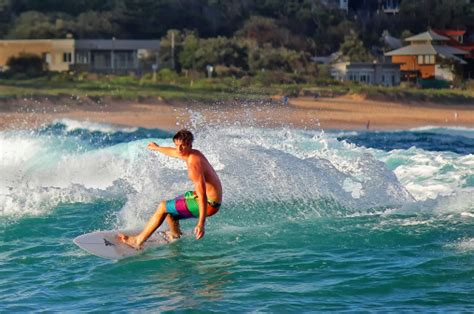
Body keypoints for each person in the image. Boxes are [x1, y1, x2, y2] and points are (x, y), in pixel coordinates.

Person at [118, 129, 223, 249]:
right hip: (208, 198)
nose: (179, 149)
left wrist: (201, 224)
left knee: (163, 206)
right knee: (170, 206)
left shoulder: (194, 164)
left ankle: (137, 241)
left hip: (209, 204)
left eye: (182, 146)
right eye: (177, 145)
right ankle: (175, 235)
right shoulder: (191, 153)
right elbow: (173, 152)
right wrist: (157, 148)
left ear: (190, 145)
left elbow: (202, 194)